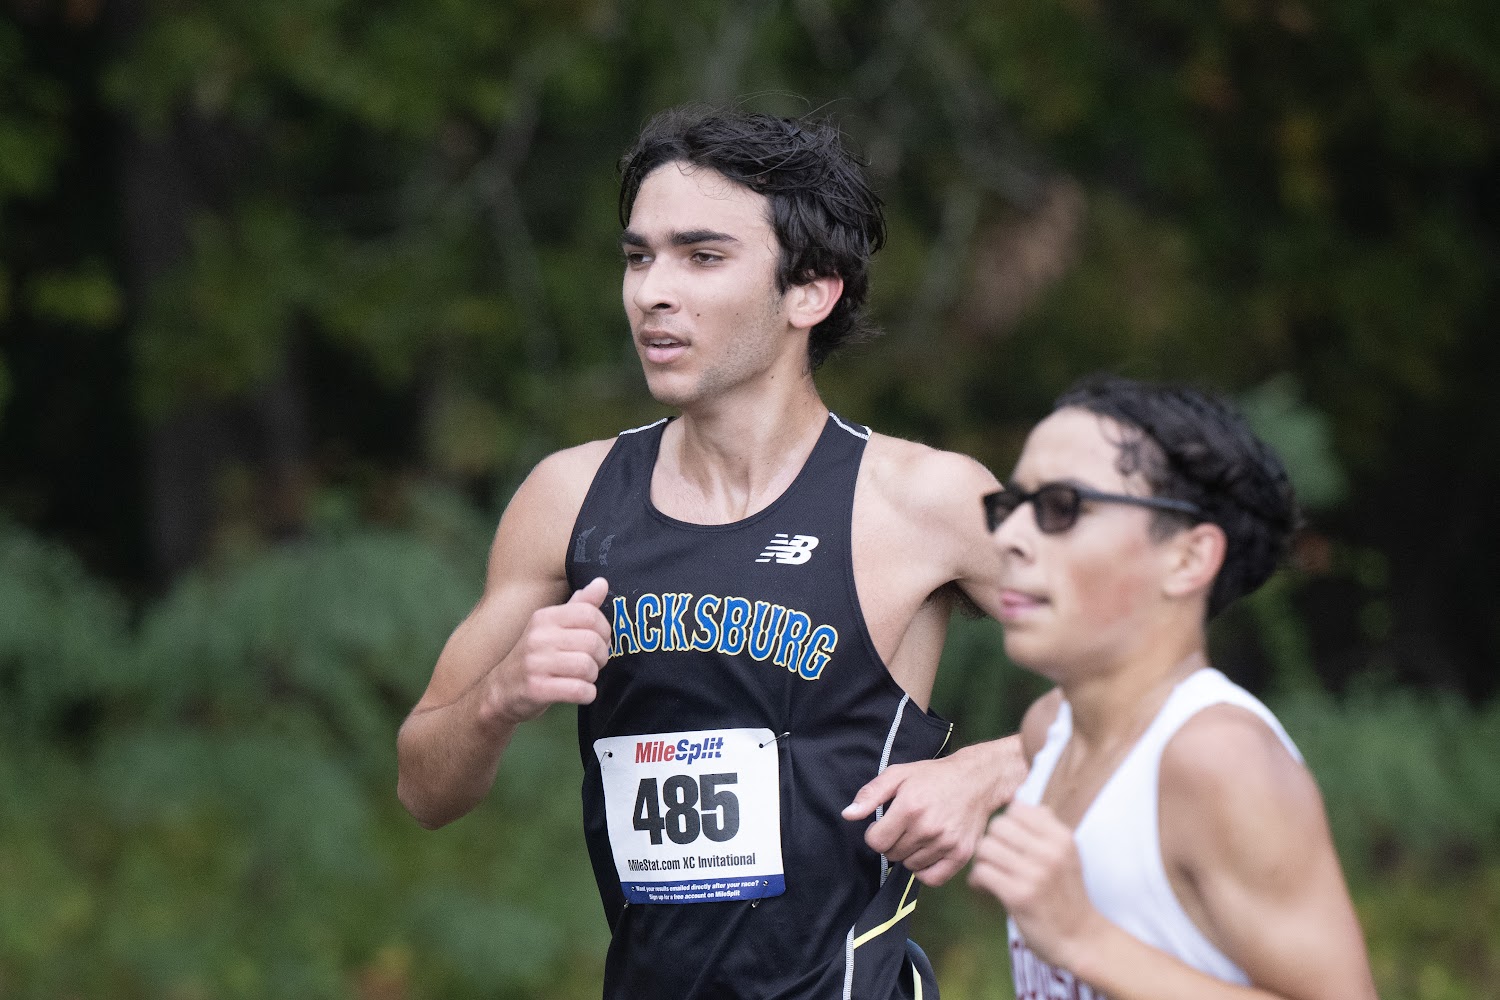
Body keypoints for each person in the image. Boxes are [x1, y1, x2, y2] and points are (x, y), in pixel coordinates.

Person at [396, 104, 1025, 1000]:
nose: (652, 291)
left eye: (701, 257)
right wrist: (500, 697)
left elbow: (1144, 680)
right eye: (638, 257)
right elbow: (424, 789)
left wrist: (984, 771)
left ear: (811, 291)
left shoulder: (925, 500)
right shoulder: (570, 498)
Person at [965, 375, 1379, 1000]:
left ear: (1188, 558)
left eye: (1061, 506)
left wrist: (1085, 938)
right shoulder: (1048, 731)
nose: (1008, 537)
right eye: (1011, 505)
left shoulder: (1218, 758)